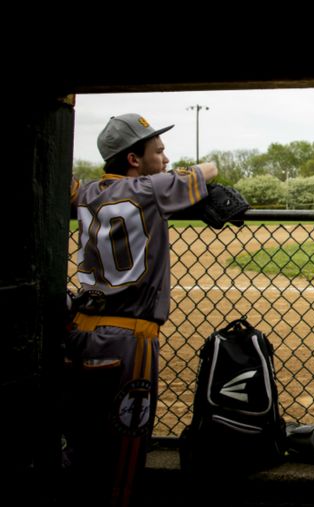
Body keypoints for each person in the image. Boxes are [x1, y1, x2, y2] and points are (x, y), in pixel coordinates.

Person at [65, 114, 218, 507]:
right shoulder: (151, 188)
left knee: (84, 440)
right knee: (126, 450)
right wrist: (192, 172)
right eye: (158, 151)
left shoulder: (85, 193)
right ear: (134, 159)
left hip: (80, 330)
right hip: (129, 337)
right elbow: (209, 169)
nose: (166, 158)